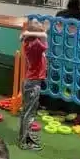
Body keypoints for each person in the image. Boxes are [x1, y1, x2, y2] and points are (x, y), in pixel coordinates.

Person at [18, 20, 47, 150]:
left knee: (27, 112)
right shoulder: (35, 45)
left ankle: (24, 136)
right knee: (29, 113)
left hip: (30, 82)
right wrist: (39, 33)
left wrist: (28, 33)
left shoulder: (28, 42)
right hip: (33, 83)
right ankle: (24, 142)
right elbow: (45, 38)